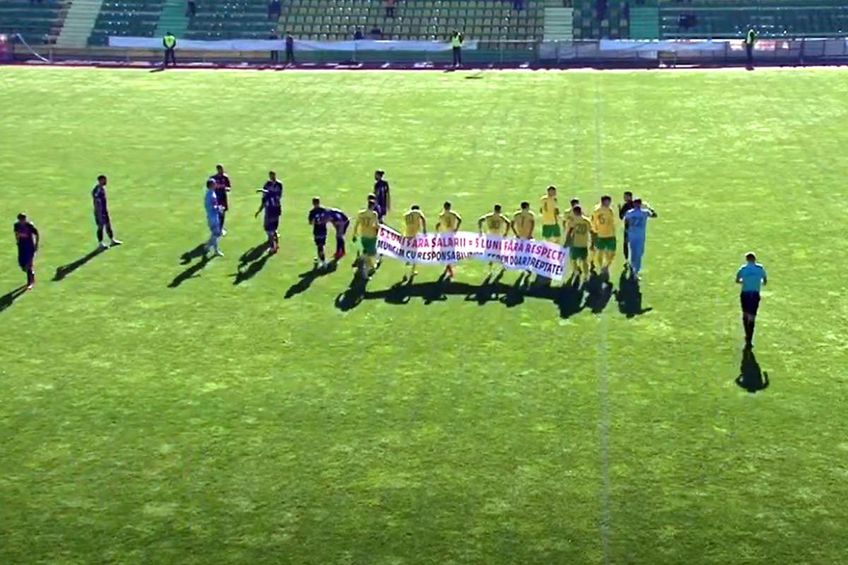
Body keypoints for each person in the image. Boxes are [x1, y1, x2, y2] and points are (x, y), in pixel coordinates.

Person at [736, 252, 767, 349]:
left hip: (745, 293)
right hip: (755, 294)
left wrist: (744, 281)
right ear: (754, 259)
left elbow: (737, 280)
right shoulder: (760, 269)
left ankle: (747, 334)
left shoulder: (743, 269)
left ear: (747, 260)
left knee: (745, 314)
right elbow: (764, 281)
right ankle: (750, 337)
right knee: (752, 315)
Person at [623, 197, 657, 278]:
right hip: (637, 236)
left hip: (635, 235)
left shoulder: (631, 212)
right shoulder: (643, 212)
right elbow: (654, 215)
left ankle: (633, 266)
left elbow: (626, 224)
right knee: (638, 253)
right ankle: (636, 271)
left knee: (636, 252)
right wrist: (649, 207)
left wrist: (627, 234)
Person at [477, 204, 511, 273]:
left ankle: (490, 265)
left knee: (490, 251)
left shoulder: (489, 216)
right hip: (498, 236)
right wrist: (506, 232)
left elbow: (480, 220)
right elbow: (508, 222)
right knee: (499, 251)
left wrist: (480, 230)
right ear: (500, 210)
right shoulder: (501, 217)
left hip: (490, 235)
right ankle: (503, 265)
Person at [255, 171, 283, 254]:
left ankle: (272, 247)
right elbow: (266, 197)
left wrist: (263, 191)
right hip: (273, 210)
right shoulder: (267, 185)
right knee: (273, 229)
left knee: (269, 229)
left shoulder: (278, 185)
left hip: (273, 211)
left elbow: (278, 195)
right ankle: (276, 245)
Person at [91, 175, 122, 249]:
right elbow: (96, 200)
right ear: (100, 180)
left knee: (108, 226)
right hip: (99, 212)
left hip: (104, 211)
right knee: (100, 227)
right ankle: (100, 243)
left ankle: (112, 240)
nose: (106, 182)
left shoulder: (102, 188)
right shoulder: (97, 189)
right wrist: (99, 212)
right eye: (104, 180)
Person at [352, 197, 380, 277]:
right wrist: (381, 228)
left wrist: (354, 234)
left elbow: (356, 224)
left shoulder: (361, 213)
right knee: (370, 254)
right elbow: (377, 225)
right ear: (373, 206)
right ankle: (365, 273)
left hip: (363, 235)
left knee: (367, 253)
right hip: (371, 236)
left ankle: (372, 266)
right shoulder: (374, 214)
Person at [565, 205, 592, 284]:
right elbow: (591, 231)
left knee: (573, 259)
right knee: (584, 260)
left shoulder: (573, 221)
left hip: (575, 243)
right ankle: (586, 275)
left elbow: (569, 232)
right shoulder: (586, 220)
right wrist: (593, 243)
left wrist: (567, 242)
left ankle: (576, 271)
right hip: (584, 243)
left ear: (574, 212)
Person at [435, 201, 462, 278]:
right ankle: (449, 269)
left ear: (444, 207)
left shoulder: (441, 215)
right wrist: (456, 228)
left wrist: (437, 229)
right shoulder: (453, 214)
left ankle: (449, 270)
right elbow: (459, 219)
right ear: (450, 206)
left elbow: (441, 224)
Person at [13, 213, 39, 290]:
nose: (22, 221)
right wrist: (17, 241)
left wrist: (36, 244)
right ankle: (31, 273)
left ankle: (30, 282)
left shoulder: (29, 226)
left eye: (23, 220)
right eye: (21, 220)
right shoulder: (16, 225)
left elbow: (37, 234)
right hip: (21, 246)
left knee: (28, 264)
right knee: (22, 263)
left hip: (29, 247)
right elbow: (16, 233)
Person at [591, 195, 616, 274]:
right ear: (603, 201)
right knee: (600, 252)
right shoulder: (597, 211)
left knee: (612, 253)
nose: (609, 203)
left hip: (611, 234)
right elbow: (594, 221)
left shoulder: (610, 210)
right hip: (601, 235)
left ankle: (606, 266)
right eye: (608, 201)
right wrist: (595, 231)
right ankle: (602, 267)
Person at [402, 205, 427, 276]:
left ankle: (407, 259)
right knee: (415, 252)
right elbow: (423, 218)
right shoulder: (417, 212)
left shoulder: (406, 214)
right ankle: (413, 270)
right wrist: (424, 229)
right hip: (414, 235)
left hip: (407, 233)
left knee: (408, 249)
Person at [512, 201, 535, 276]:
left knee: (519, 251)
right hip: (527, 235)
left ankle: (520, 265)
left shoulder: (516, 215)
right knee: (528, 252)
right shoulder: (530, 215)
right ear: (527, 207)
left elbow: (512, 225)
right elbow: (532, 225)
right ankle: (527, 267)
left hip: (519, 235)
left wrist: (515, 233)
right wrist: (530, 234)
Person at [204, 179, 223, 257]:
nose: (216, 184)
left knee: (215, 234)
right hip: (213, 217)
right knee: (216, 234)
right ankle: (210, 247)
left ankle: (213, 249)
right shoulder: (212, 195)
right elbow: (215, 207)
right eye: (214, 183)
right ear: (211, 185)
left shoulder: (208, 194)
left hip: (210, 216)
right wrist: (220, 208)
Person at [308, 197, 329, 268]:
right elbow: (327, 219)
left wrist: (315, 221)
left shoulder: (312, 212)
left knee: (319, 246)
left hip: (317, 231)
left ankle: (323, 261)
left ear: (313, 203)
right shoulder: (324, 210)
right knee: (321, 245)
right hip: (323, 230)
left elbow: (311, 222)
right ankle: (320, 259)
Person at [211, 164, 231, 235]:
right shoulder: (214, 178)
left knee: (222, 214)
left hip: (223, 198)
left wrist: (225, 188)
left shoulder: (225, 177)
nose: (222, 171)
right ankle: (216, 228)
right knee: (216, 214)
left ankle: (221, 228)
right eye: (220, 169)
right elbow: (210, 187)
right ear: (218, 170)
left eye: (222, 169)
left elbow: (229, 187)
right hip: (216, 198)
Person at [618, 191, 634, 261]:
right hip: (635, 227)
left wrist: (620, 209)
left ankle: (626, 259)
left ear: (630, 197)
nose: (624, 198)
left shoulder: (626, 206)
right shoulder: (635, 204)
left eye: (625, 196)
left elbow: (621, 217)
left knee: (626, 244)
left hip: (628, 226)